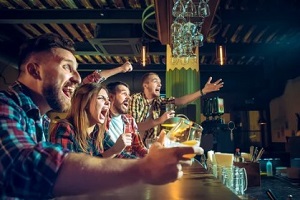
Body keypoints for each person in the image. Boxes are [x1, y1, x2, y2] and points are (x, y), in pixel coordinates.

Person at [0, 33, 203, 199]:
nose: (77, 77)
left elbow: (119, 155)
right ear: (34, 70)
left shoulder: (40, 118)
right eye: (66, 67)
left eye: (76, 70)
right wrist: (143, 170)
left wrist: (151, 162)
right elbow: (22, 166)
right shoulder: (5, 105)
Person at [129, 72, 224, 144]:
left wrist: (203, 91)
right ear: (145, 85)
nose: (160, 84)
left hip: (149, 146)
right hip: (134, 146)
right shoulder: (135, 99)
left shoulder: (158, 101)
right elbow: (136, 126)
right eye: (155, 81)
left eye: (160, 82)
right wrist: (160, 120)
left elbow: (180, 101)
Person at [50, 83, 136, 158]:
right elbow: (71, 169)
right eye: (101, 98)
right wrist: (113, 151)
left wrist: (143, 163)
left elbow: (120, 156)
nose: (108, 103)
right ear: (85, 103)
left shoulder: (98, 131)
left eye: (108, 100)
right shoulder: (65, 128)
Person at [105, 81, 148, 158]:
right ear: (111, 97)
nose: (129, 98)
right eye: (124, 94)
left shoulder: (129, 119)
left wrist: (152, 154)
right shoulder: (100, 119)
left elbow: (138, 147)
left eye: (129, 95)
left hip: (128, 164)